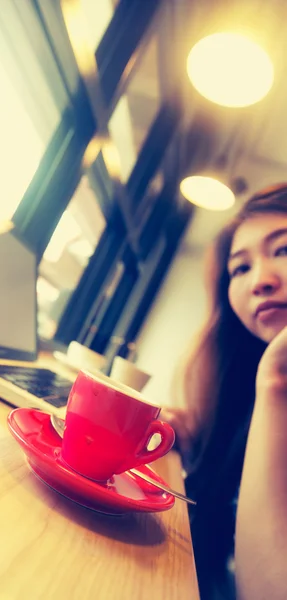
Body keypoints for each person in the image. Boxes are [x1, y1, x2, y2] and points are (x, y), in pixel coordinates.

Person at [162, 183, 287, 600]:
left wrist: (274, 383)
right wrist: (195, 446)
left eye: (283, 250)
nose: (260, 281)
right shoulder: (245, 385)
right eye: (240, 268)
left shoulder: (271, 382)